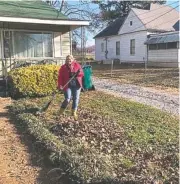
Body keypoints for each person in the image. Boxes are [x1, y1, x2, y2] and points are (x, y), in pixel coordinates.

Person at [57, 55, 84, 120]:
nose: (68, 61)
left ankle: (73, 112)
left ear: (72, 60)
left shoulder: (77, 65)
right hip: (67, 85)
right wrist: (60, 85)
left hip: (76, 85)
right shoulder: (63, 67)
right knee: (67, 99)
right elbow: (60, 77)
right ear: (65, 60)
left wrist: (78, 73)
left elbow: (82, 74)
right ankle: (60, 112)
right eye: (67, 59)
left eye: (70, 59)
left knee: (75, 98)